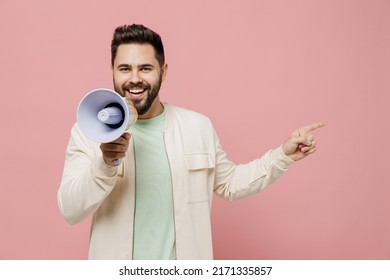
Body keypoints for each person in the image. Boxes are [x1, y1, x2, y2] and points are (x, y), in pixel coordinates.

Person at [58, 24, 324, 260]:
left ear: (163, 71)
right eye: (125, 68)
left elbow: (230, 184)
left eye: (146, 68)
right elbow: (71, 210)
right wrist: (104, 163)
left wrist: (282, 155)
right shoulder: (88, 132)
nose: (135, 78)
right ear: (112, 71)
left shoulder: (198, 127)